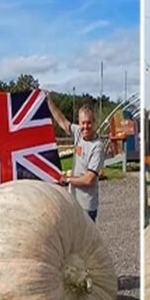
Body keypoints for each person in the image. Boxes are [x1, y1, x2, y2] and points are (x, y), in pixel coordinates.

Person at [47, 94, 104, 222]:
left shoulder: (97, 146)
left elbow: (89, 179)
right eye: (83, 123)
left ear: (94, 122)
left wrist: (67, 179)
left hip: (87, 207)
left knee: (85, 242)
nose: (85, 127)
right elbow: (61, 121)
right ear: (79, 122)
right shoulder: (78, 133)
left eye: (89, 123)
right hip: (74, 202)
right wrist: (49, 101)